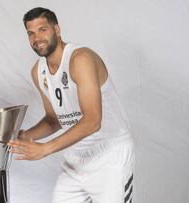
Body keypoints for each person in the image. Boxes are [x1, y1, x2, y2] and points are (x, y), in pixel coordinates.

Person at [9, 7, 134, 203]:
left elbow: (93, 120)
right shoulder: (38, 71)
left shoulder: (79, 59)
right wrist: (23, 136)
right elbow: (53, 120)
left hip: (109, 156)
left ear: (57, 30)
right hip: (76, 159)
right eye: (31, 33)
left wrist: (45, 148)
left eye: (43, 29)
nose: (37, 38)